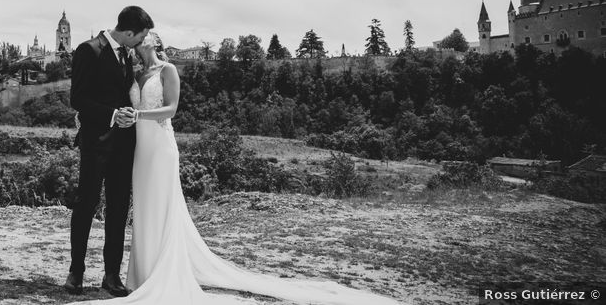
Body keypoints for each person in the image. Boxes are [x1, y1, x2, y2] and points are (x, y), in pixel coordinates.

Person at [70, 30, 403, 305]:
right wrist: (90, 116)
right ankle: (138, 272)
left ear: (154, 42)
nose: (139, 42)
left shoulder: (167, 70)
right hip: (137, 148)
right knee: (141, 208)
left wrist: (138, 115)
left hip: (159, 145)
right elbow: (110, 95)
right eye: (138, 37)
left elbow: (171, 109)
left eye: (145, 38)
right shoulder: (132, 68)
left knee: (158, 205)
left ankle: (161, 269)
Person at [64, 5, 154, 297]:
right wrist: (114, 114)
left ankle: (111, 275)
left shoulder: (127, 54)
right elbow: (77, 98)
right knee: (86, 205)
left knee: (118, 208)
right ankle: (76, 273)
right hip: (96, 141)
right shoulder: (88, 50)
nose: (141, 42)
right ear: (128, 33)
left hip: (124, 145)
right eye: (139, 37)